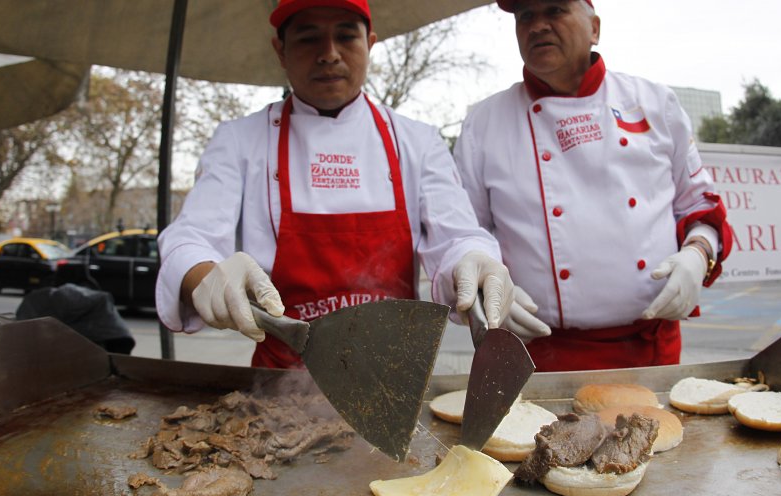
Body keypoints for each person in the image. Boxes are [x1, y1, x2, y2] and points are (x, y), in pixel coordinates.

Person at [156, 0, 514, 368]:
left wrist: (474, 260)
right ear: (280, 50)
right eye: (309, 39)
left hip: (396, 377)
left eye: (345, 37)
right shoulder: (239, 140)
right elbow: (189, 239)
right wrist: (205, 272)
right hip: (279, 382)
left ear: (370, 44)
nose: (329, 54)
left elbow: (456, 238)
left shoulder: (417, 141)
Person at [453, 0, 733, 371]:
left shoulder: (653, 104)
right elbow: (464, 232)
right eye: (525, 16)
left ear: (595, 29)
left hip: (649, 350)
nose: (537, 26)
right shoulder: (484, 122)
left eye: (554, 11)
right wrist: (490, 288)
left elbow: (700, 205)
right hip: (535, 352)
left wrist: (699, 254)